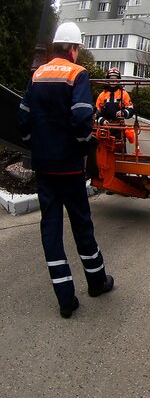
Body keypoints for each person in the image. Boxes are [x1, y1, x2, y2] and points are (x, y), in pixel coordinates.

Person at [17, 22, 114, 318]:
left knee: (51, 228)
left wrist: (37, 145)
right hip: (69, 168)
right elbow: (83, 117)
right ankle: (97, 282)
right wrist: (84, 146)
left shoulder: (38, 74)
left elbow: (23, 118)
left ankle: (65, 298)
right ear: (73, 49)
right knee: (81, 225)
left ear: (55, 46)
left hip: (45, 166)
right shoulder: (76, 74)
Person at [95, 66, 135, 148]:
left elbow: (131, 109)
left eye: (115, 78)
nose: (113, 81)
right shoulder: (102, 95)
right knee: (103, 151)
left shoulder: (124, 94)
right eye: (111, 78)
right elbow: (96, 112)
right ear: (107, 80)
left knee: (120, 151)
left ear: (118, 80)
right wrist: (101, 120)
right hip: (104, 128)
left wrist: (124, 113)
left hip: (119, 128)